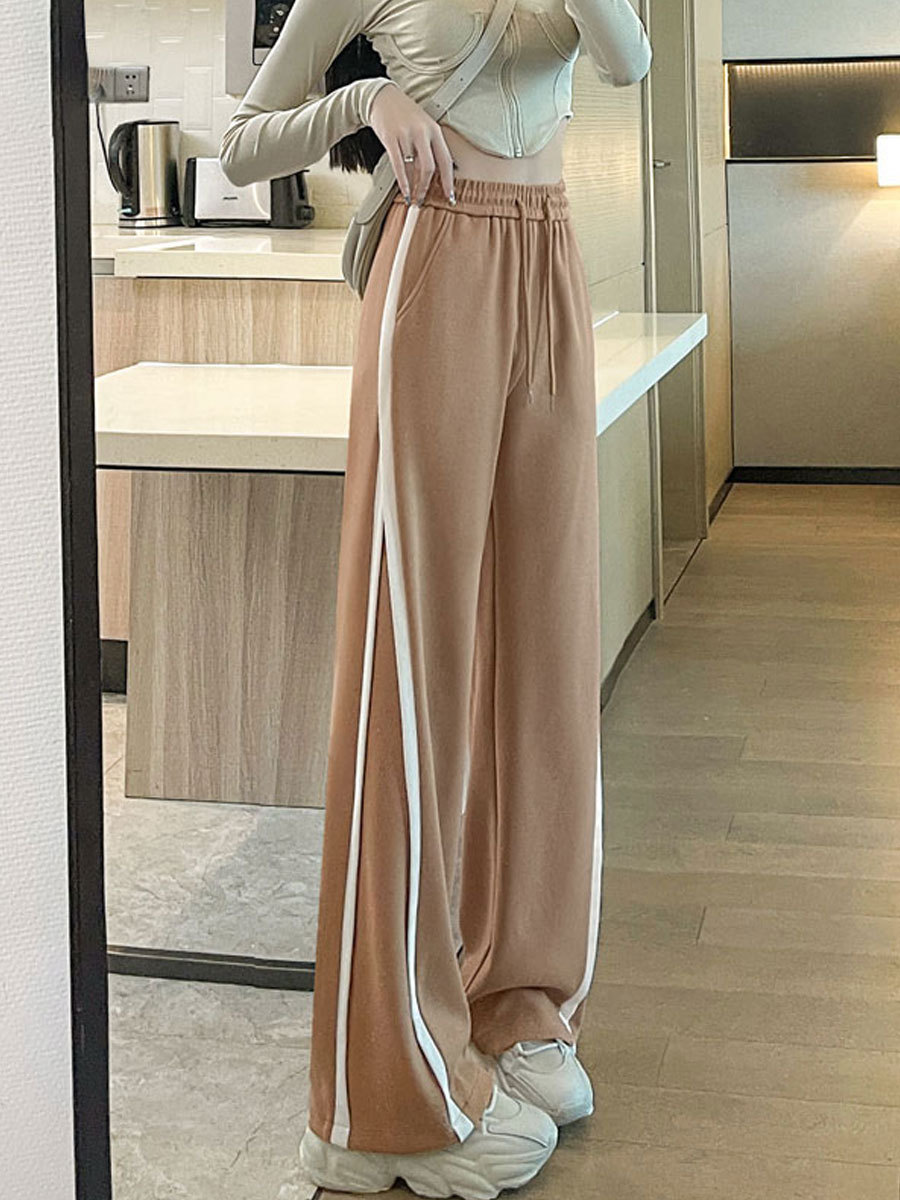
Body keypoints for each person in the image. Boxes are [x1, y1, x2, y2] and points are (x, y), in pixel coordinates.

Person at [219, 3, 651, 1196]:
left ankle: (516, 998)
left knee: (548, 648)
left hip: (548, 247)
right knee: (415, 661)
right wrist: (368, 101)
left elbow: (628, 58)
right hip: (437, 254)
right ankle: (382, 1096)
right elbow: (242, 142)